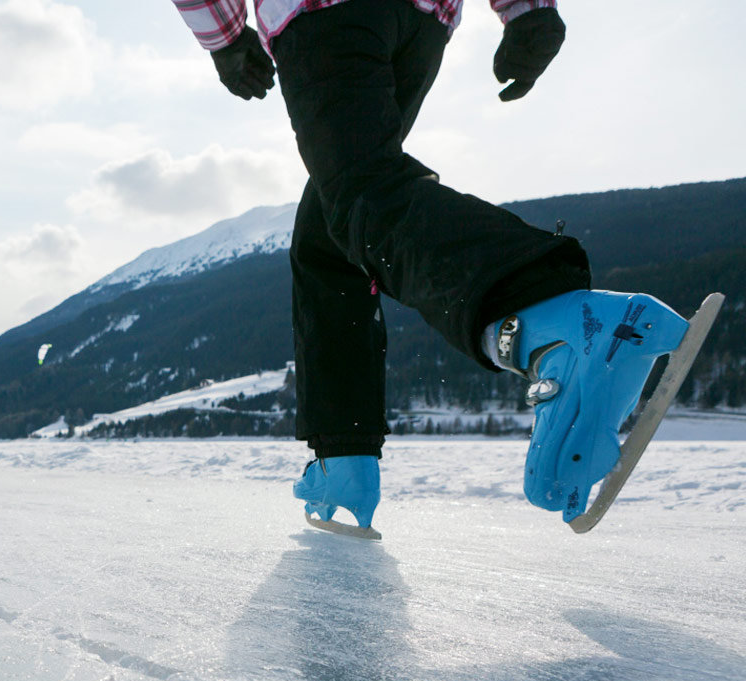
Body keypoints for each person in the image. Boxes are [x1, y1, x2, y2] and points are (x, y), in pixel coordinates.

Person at [171, 0, 692, 530]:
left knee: (363, 196)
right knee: (331, 234)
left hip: (326, 13)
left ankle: (549, 325)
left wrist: (226, 38)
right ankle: (343, 458)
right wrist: (527, 9)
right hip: (421, 22)